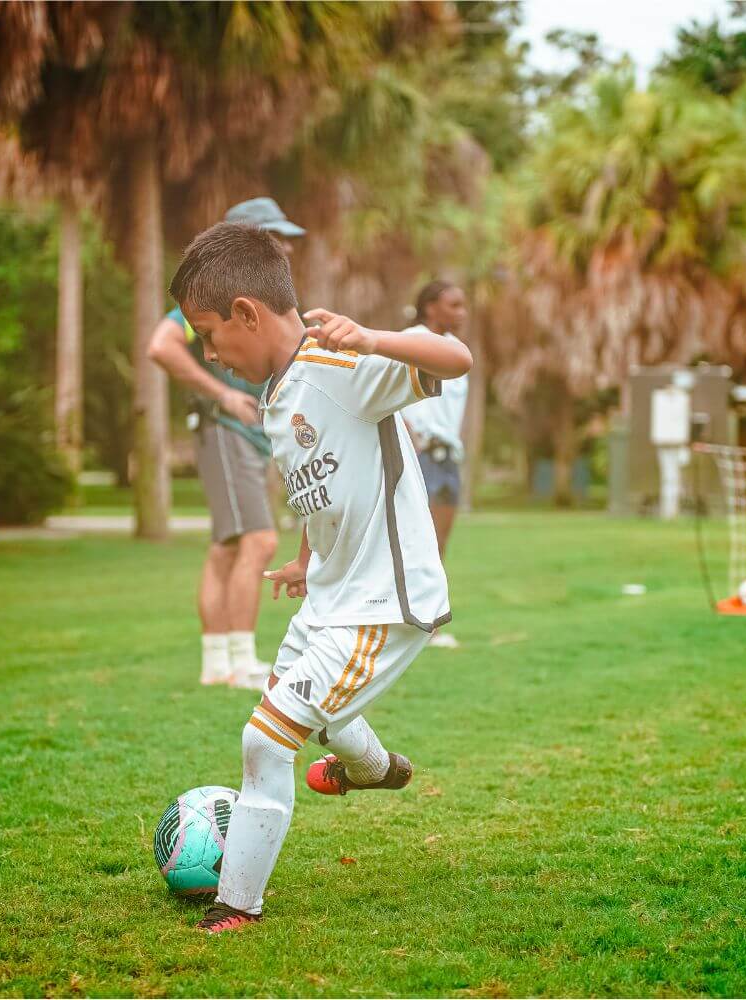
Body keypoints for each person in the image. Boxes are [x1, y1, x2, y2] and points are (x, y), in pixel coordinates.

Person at [167, 222, 472, 934]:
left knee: (266, 740)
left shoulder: (341, 365)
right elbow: (322, 480)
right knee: (310, 711)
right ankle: (374, 767)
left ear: (247, 311)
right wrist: (307, 558)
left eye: (211, 335)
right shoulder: (277, 395)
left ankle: (236, 906)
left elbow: (455, 357)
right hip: (331, 596)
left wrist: (373, 339)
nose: (211, 354)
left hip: (383, 603)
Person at [146, 198, 306, 689]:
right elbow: (161, 345)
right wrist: (222, 395)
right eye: (274, 235)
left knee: (225, 548)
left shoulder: (255, 298)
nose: (285, 247)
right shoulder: (209, 298)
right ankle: (240, 662)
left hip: (247, 438)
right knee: (257, 541)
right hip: (225, 431)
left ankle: (217, 662)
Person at [401, 280, 470, 649]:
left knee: (439, 544)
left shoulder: (458, 351)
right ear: (430, 307)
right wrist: (411, 436)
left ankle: (430, 624)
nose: (462, 312)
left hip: (448, 456)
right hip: (420, 454)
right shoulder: (410, 340)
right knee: (417, 541)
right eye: (454, 305)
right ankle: (411, 622)